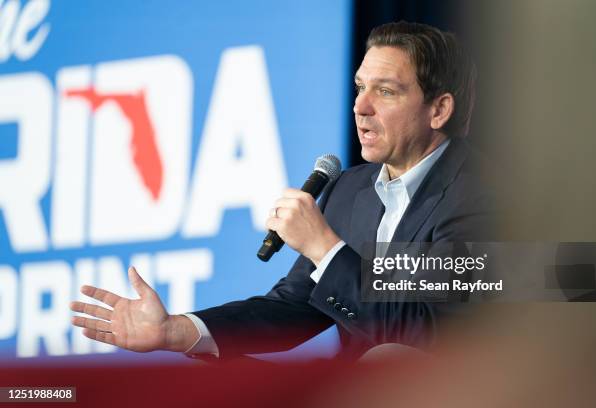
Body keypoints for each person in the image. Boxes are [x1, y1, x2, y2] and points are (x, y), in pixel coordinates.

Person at [70, 21, 494, 361]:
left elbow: (435, 335)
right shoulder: (350, 190)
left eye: (385, 91)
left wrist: (325, 249)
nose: (360, 107)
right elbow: (293, 308)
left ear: (439, 109)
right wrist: (175, 331)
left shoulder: (488, 197)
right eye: (360, 87)